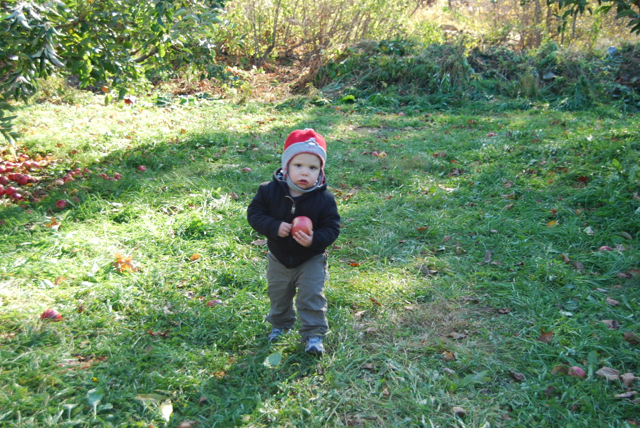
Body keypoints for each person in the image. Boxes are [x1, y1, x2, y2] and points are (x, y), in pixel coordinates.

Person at [247, 129, 341, 355]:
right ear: (286, 166)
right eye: (298, 165)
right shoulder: (268, 191)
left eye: (313, 168)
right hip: (278, 258)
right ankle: (280, 325)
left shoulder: (324, 199)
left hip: (311, 258)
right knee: (278, 294)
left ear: (320, 171)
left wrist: (314, 240)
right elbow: (255, 214)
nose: (305, 172)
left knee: (311, 295)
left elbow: (332, 228)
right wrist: (273, 226)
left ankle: (313, 334)